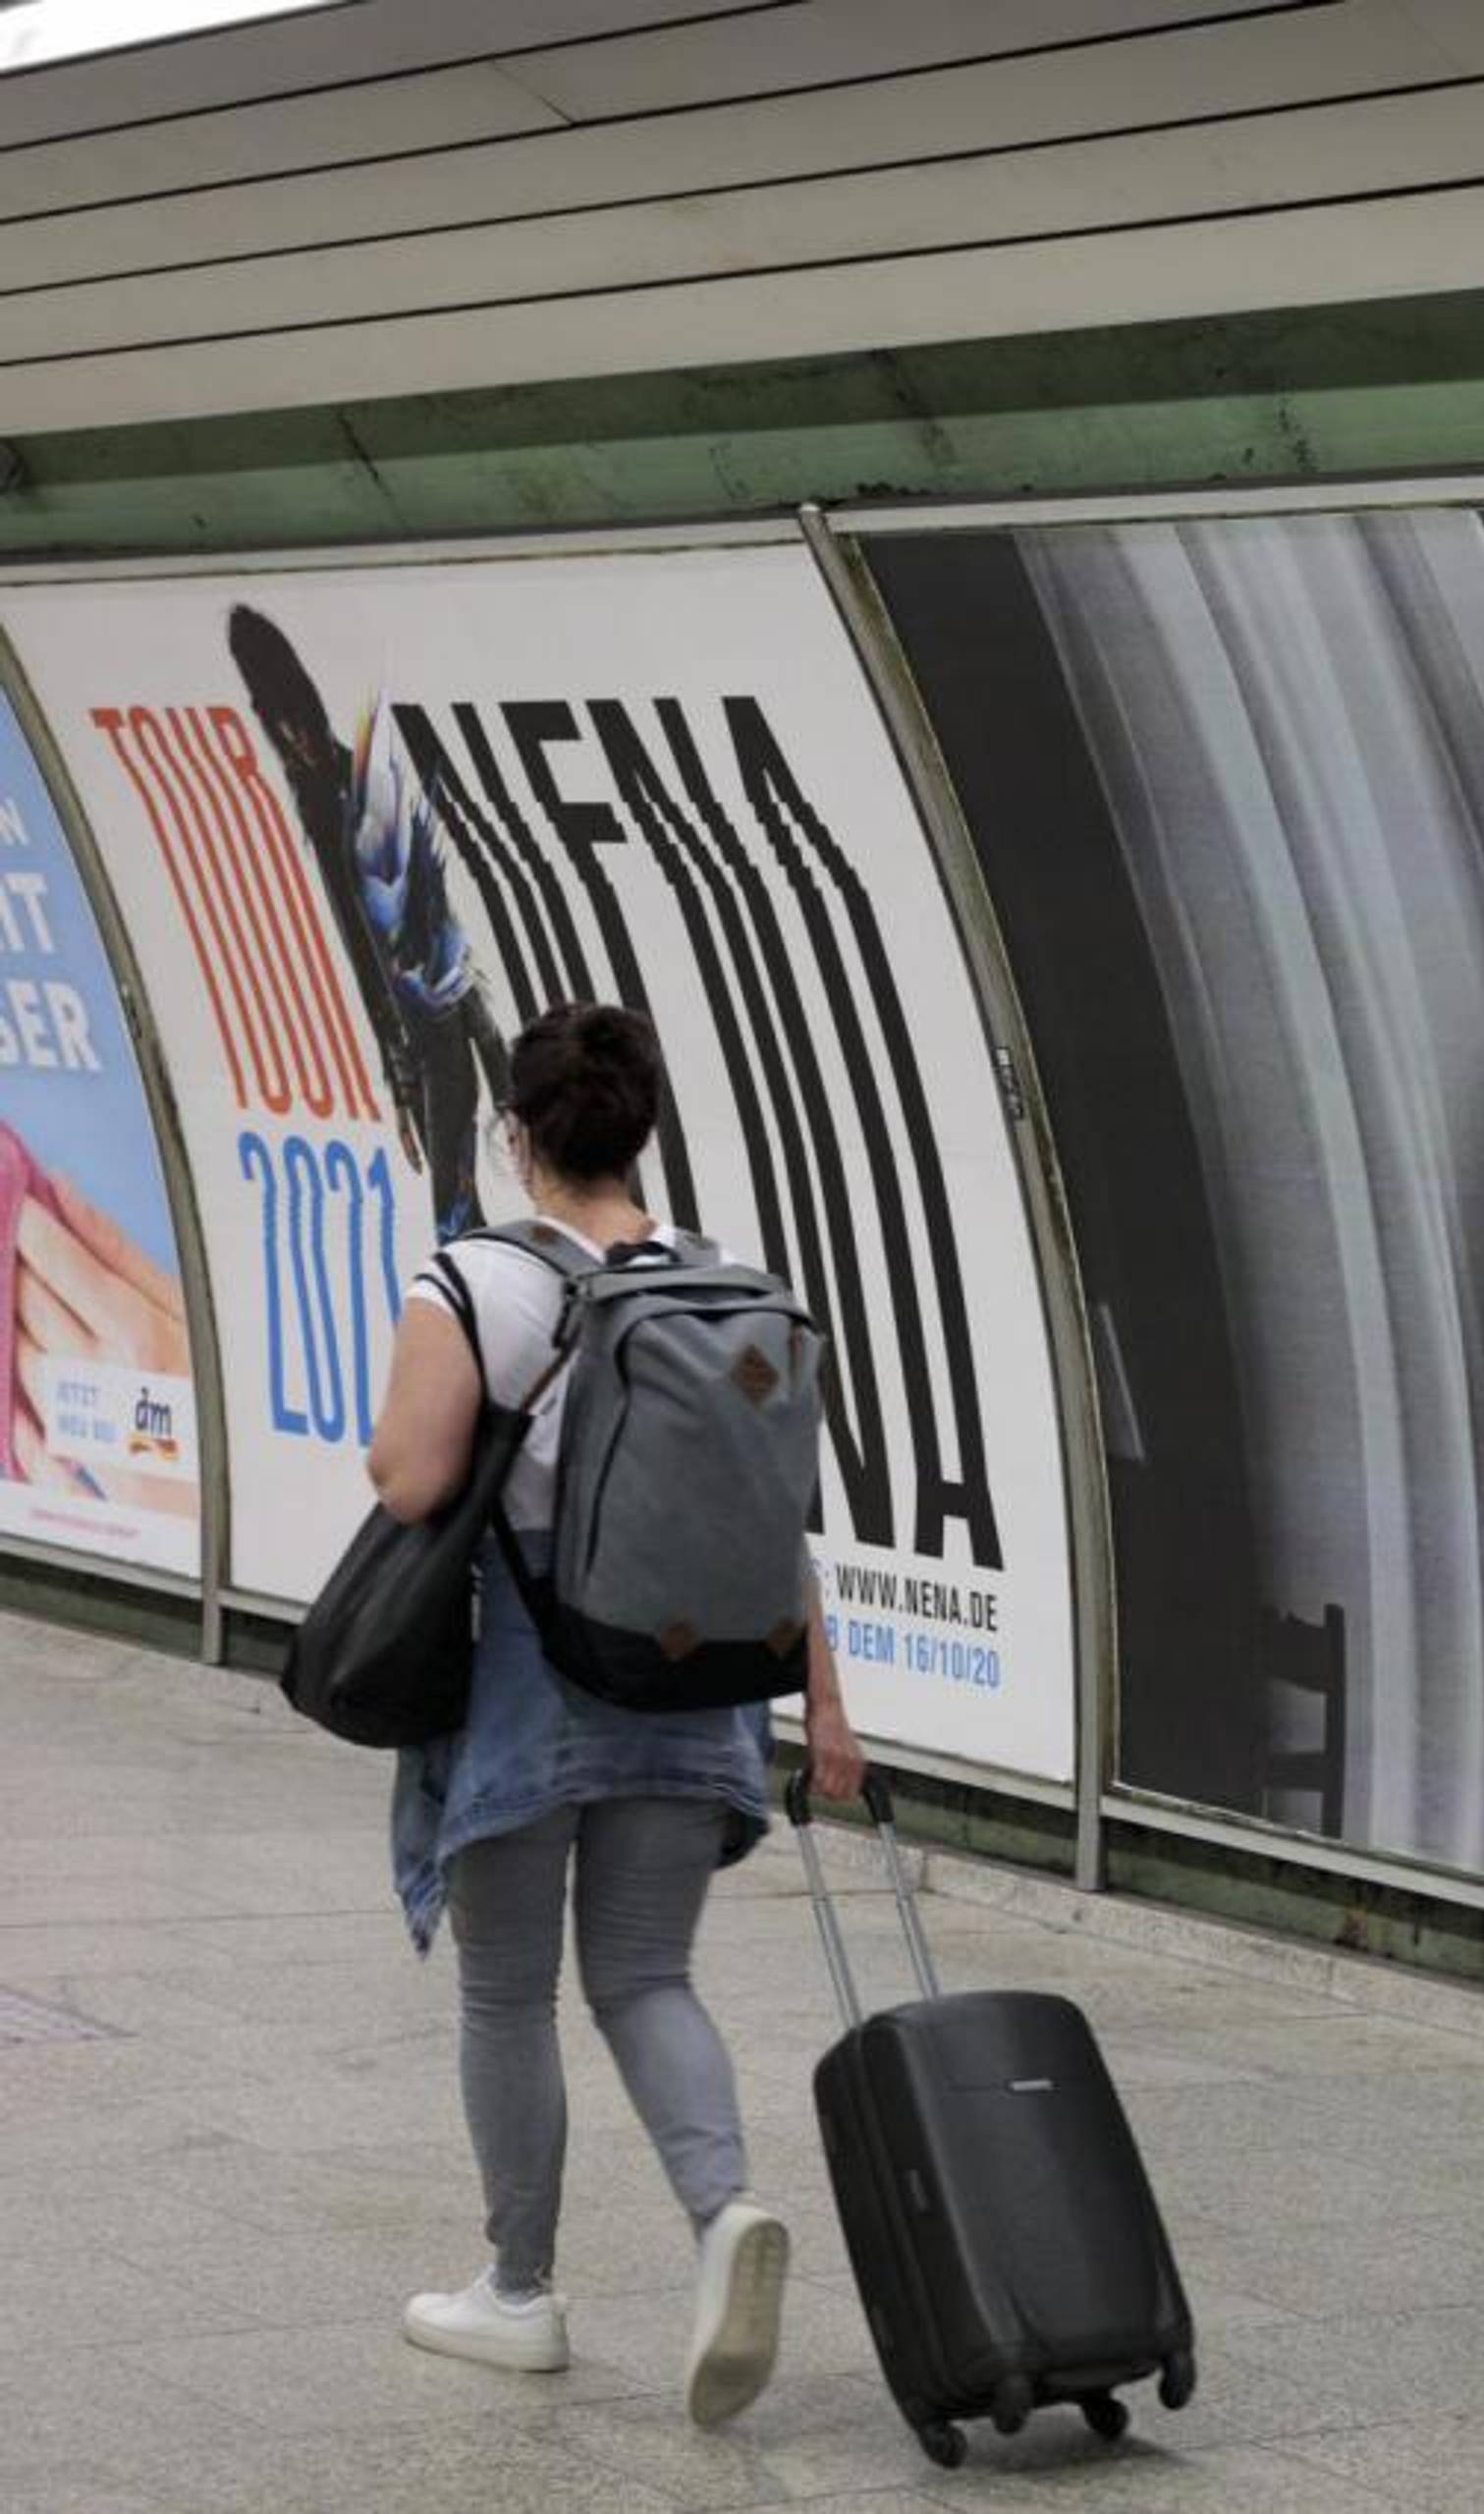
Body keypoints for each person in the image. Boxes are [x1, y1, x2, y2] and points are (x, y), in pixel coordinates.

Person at [365, 1003, 863, 2425]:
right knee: (646, 1976)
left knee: (508, 1988)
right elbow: (775, 1513)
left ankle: (517, 2290)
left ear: (520, 1137)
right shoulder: (722, 1282)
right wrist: (826, 1696)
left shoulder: (474, 1278)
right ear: (640, 1132)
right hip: (692, 1680)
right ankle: (721, 2219)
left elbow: (408, 1478)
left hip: (531, 1685)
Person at [230, 604, 513, 1240]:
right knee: (461, 1218)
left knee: (460, 1221)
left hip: (442, 1024)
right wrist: (397, 1070)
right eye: (279, 723)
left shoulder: (350, 788)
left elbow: (434, 922)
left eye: (299, 717)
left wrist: (489, 1052)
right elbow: (364, 955)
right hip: (421, 1035)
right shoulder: (314, 797)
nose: (295, 738)